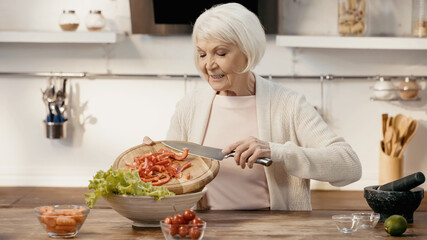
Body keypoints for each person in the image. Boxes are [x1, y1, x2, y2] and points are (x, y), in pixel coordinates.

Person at [146, 2, 362, 211]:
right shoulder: (190, 106)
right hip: (204, 229)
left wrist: (276, 151)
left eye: (221, 53)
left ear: (248, 52)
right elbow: (172, 177)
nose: (209, 65)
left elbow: (349, 165)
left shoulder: (289, 105)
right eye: (202, 54)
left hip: (272, 229)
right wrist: (152, 160)